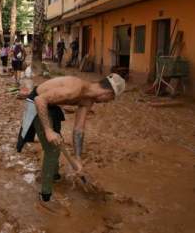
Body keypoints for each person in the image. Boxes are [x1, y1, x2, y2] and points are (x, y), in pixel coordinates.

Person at [17, 73, 126, 215]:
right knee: (53, 148)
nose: (107, 102)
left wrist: (78, 159)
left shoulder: (88, 100)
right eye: (110, 99)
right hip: (38, 103)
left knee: (57, 140)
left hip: (51, 106)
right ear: (108, 93)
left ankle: (52, 176)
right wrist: (49, 131)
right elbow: (39, 99)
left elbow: (78, 129)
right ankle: (45, 197)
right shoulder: (75, 88)